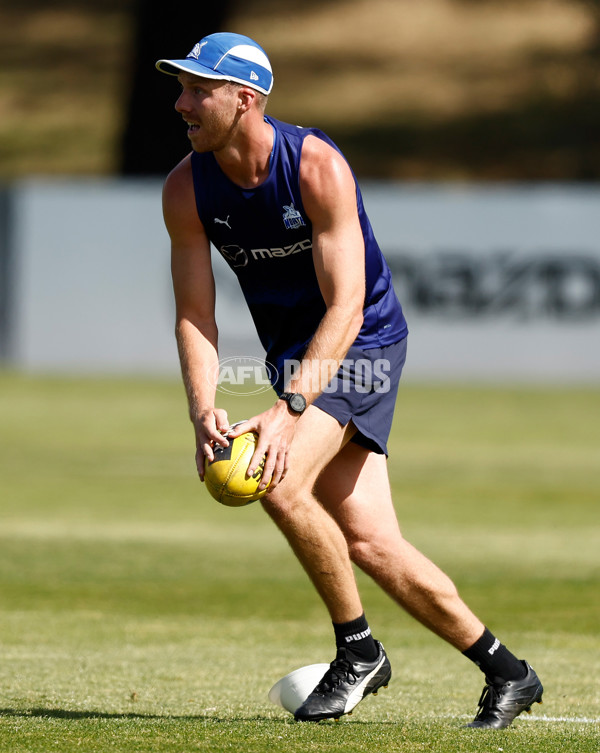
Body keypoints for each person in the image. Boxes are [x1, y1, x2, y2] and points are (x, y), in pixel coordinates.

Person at [156, 32, 543, 727]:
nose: (182, 103)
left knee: (274, 476)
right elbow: (194, 311)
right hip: (294, 353)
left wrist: (289, 408)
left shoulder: (315, 167)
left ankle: (358, 650)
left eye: (198, 90)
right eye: (181, 88)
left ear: (244, 100)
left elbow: (347, 304)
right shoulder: (186, 187)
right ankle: (508, 671)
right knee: (369, 540)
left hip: (362, 338)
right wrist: (201, 407)